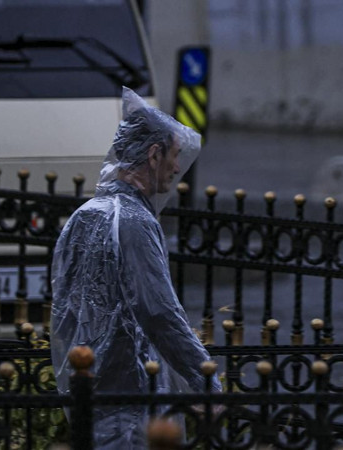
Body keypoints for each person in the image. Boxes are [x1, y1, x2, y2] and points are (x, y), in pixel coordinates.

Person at [50, 87, 220, 449]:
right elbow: (160, 312)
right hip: (132, 384)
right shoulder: (135, 221)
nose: (178, 168)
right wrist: (204, 379)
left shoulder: (86, 214)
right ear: (154, 154)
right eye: (174, 155)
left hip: (90, 380)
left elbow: (64, 303)